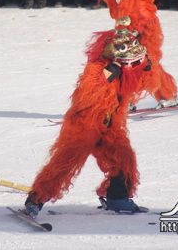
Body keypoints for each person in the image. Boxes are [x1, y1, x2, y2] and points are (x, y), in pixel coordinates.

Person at [22, 21, 149, 218]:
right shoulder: (96, 69)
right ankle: (35, 201)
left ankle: (117, 197)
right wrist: (107, 76)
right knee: (64, 164)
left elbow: (144, 85)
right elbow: (85, 98)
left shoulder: (126, 72)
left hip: (110, 126)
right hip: (85, 126)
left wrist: (146, 69)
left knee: (124, 157)